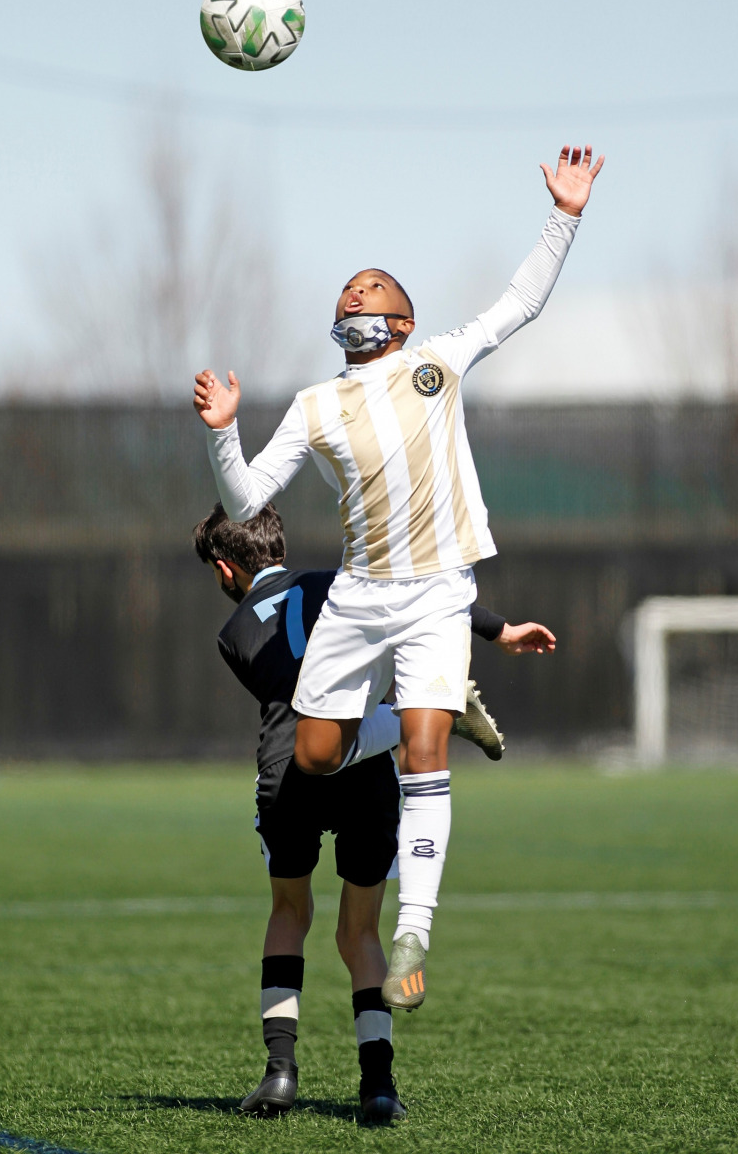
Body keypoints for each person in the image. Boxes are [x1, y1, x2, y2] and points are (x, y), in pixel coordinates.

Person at [193, 143, 599, 1011]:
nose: (356, 293)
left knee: (419, 753)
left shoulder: (437, 363)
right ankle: (447, 716)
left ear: (405, 322)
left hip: (438, 591)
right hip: (359, 595)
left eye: (373, 288)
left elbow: (521, 302)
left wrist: (564, 216)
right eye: (348, 289)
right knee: (315, 754)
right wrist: (224, 429)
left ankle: (415, 926)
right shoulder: (315, 404)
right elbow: (247, 496)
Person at [193, 502, 556, 1121]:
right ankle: (378, 1087)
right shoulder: (340, 582)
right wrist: (499, 630)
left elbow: (289, 692)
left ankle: (280, 1074)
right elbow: (423, 601)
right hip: (366, 770)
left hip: (289, 770)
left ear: (226, 570)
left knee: (290, 913)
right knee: (358, 933)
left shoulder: (233, 635)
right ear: (279, 546)